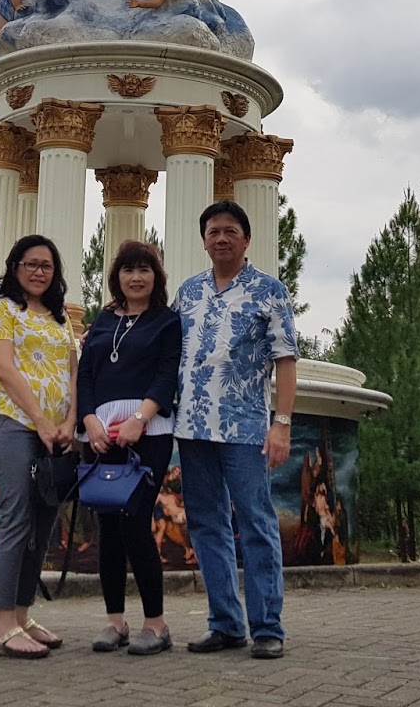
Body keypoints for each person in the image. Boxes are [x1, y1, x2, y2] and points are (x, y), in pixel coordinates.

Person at [173, 199, 299, 660]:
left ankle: (268, 627)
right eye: (213, 232)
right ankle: (225, 623)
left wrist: (281, 424)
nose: (221, 238)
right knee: (207, 525)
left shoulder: (269, 290)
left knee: (257, 524)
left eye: (230, 231)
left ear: (246, 239)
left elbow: (285, 361)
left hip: (245, 428)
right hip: (191, 428)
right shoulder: (188, 291)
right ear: (204, 240)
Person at [75, 240, 183, 656]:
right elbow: (84, 376)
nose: (135, 277)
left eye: (144, 269)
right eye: (127, 270)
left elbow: (166, 374)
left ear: (156, 277)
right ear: (116, 276)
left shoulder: (166, 321)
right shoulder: (103, 320)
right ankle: (114, 622)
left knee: (135, 523)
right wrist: (89, 421)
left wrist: (139, 418)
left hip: (148, 431)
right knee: (107, 527)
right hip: (99, 432)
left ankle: (156, 625)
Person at [0, 235, 78, 659]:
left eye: (47, 265)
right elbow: (4, 368)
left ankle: (23, 615)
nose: (39, 271)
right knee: (17, 515)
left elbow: (74, 372)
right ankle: (2, 626)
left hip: (56, 433)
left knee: (43, 524)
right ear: (15, 267)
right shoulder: (4, 310)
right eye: (31, 263)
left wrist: (69, 421)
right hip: (14, 424)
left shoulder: (61, 319)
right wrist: (40, 420)